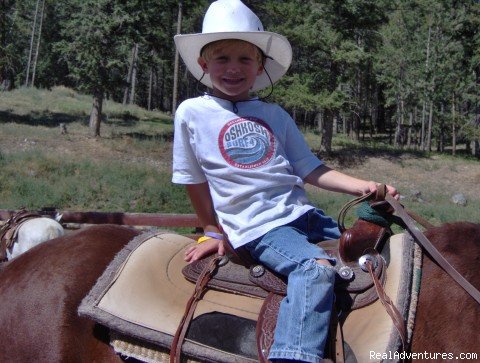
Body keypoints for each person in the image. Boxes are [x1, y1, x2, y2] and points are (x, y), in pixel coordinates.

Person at [172, 1, 398, 362]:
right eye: (222, 59)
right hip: (258, 226)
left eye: (245, 59)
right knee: (315, 269)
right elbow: (192, 178)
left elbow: (310, 168)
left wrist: (362, 185)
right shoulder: (192, 113)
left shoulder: (274, 114)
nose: (234, 68)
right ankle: (292, 355)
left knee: (377, 251)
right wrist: (212, 231)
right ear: (203, 65)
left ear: (260, 66)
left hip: (302, 215)